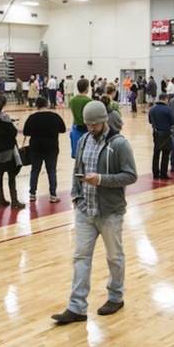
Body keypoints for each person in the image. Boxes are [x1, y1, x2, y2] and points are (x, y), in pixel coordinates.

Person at [51, 100, 137, 323]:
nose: (90, 128)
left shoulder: (119, 144)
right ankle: (77, 307)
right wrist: (75, 195)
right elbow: (76, 170)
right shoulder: (83, 141)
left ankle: (116, 297)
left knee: (114, 257)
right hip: (85, 211)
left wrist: (100, 180)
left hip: (110, 212)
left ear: (103, 121)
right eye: (87, 124)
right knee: (80, 257)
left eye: (94, 124)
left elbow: (131, 175)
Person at [23, 96, 67, 202]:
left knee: (35, 171)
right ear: (46, 104)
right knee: (51, 171)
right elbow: (63, 129)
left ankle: (32, 194)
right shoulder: (55, 117)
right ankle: (53, 194)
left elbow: (25, 132)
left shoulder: (32, 118)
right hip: (51, 148)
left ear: (36, 105)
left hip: (36, 148)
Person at [0, 94, 22, 208]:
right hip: (8, 151)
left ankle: (1, 200)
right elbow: (13, 133)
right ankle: (14, 201)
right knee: (11, 175)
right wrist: (14, 126)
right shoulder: (5, 118)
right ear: (5, 103)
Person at [148, 92, 174, 180]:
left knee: (156, 153)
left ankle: (155, 173)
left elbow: (150, 121)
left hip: (156, 132)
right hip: (166, 133)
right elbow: (173, 121)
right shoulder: (167, 109)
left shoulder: (152, 109)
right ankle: (164, 173)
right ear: (165, 99)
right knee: (166, 153)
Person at [68, 78, 91, 159]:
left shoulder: (72, 100)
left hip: (75, 126)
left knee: (77, 154)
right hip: (86, 127)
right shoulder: (89, 100)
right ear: (87, 88)